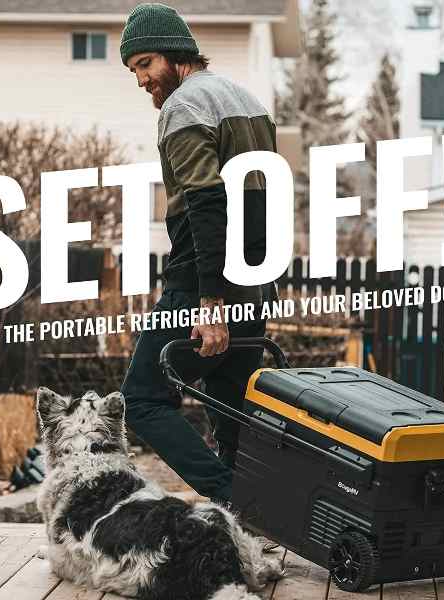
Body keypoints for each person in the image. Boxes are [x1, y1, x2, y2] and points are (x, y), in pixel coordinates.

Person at [119, 3, 277, 504]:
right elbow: (262, 203)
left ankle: (229, 497)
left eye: (145, 64)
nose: (141, 80)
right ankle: (256, 516)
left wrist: (210, 302)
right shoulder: (248, 101)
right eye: (135, 70)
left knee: (143, 400)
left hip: (201, 281)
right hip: (253, 280)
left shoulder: (184, 106)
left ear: (175, 54)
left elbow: (208, 203)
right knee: (233, 411)